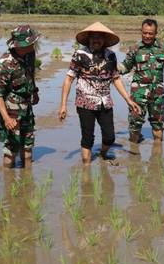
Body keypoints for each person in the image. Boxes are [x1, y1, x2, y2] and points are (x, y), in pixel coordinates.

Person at [58, 22, 141, 163]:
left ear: (104, 40)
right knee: (87, 137)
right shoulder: (80, 54)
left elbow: (116, 78)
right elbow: (68, 79)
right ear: (89, 38)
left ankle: (103, 154)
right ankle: (86, 167)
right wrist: (63, 105)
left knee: (110, 137)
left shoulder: (111, 56)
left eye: (99, 37)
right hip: (85, 102)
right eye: (93, 37)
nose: (96, 40)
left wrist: (128, 100)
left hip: (105, 102)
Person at [119, 18, 164, 143]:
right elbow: (126, 66)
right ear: (141, 31)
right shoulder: (135, 48)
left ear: (155, 33)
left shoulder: (163, 47)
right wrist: (113, 67)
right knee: (135, 125)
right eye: (145, 33)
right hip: (138, 94)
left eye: (150, 33)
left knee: (158, 123)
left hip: (157, 93)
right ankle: (134, 153)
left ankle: (157, 156)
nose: (147, 36)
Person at [0, 25, 40, 168]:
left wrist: (35, 91)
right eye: (30, 43)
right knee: (10, 150)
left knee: (28, 145)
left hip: (26, 106)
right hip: (10, 110)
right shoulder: (3, 64)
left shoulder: (30, 55)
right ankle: (9, 181)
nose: (33, 45)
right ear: (20, 46)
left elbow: (30, 73)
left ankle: (27, 181)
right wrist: (6, 118)